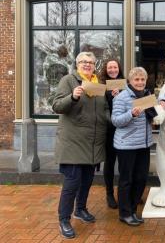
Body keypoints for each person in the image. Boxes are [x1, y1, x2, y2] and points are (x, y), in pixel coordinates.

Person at [53, 51, 109, 239]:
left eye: (91, 62)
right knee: (72, 182)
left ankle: (81, 209)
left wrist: (115, 120)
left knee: (86, 180)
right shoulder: (69, 80)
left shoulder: (97, 84)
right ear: (77, 64)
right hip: (73, 143)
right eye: (83, 62)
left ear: (95, 65)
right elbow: (57, 106)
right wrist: (73, 97)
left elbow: (104, 110)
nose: (87, 64)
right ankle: (64, 219)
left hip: (93, 144)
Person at [111, 67, 158, 226]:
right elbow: (116, 121)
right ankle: (125, 213)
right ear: (130, 81)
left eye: (142, 79)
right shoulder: (122, 97)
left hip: (144, 144)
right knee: (126, 180)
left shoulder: (147, 96)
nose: (140, 82)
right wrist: (131, 114)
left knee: (140, 179)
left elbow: (152, 116)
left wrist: (160, 106)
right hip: (126, 146)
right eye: (136, 79)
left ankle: (132, 210)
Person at [98, 58, 125, 209]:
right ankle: (109, 194)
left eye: (115, 67)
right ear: (106, 70)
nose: (113, 70)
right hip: (109, 130)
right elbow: (100, 107)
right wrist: (112, 97)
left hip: (124, 129)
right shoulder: (101, 86)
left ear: (119, 69)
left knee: (124, 162)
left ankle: (124, 193)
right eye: (110, 68)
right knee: (109, 162)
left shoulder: (125, 84)